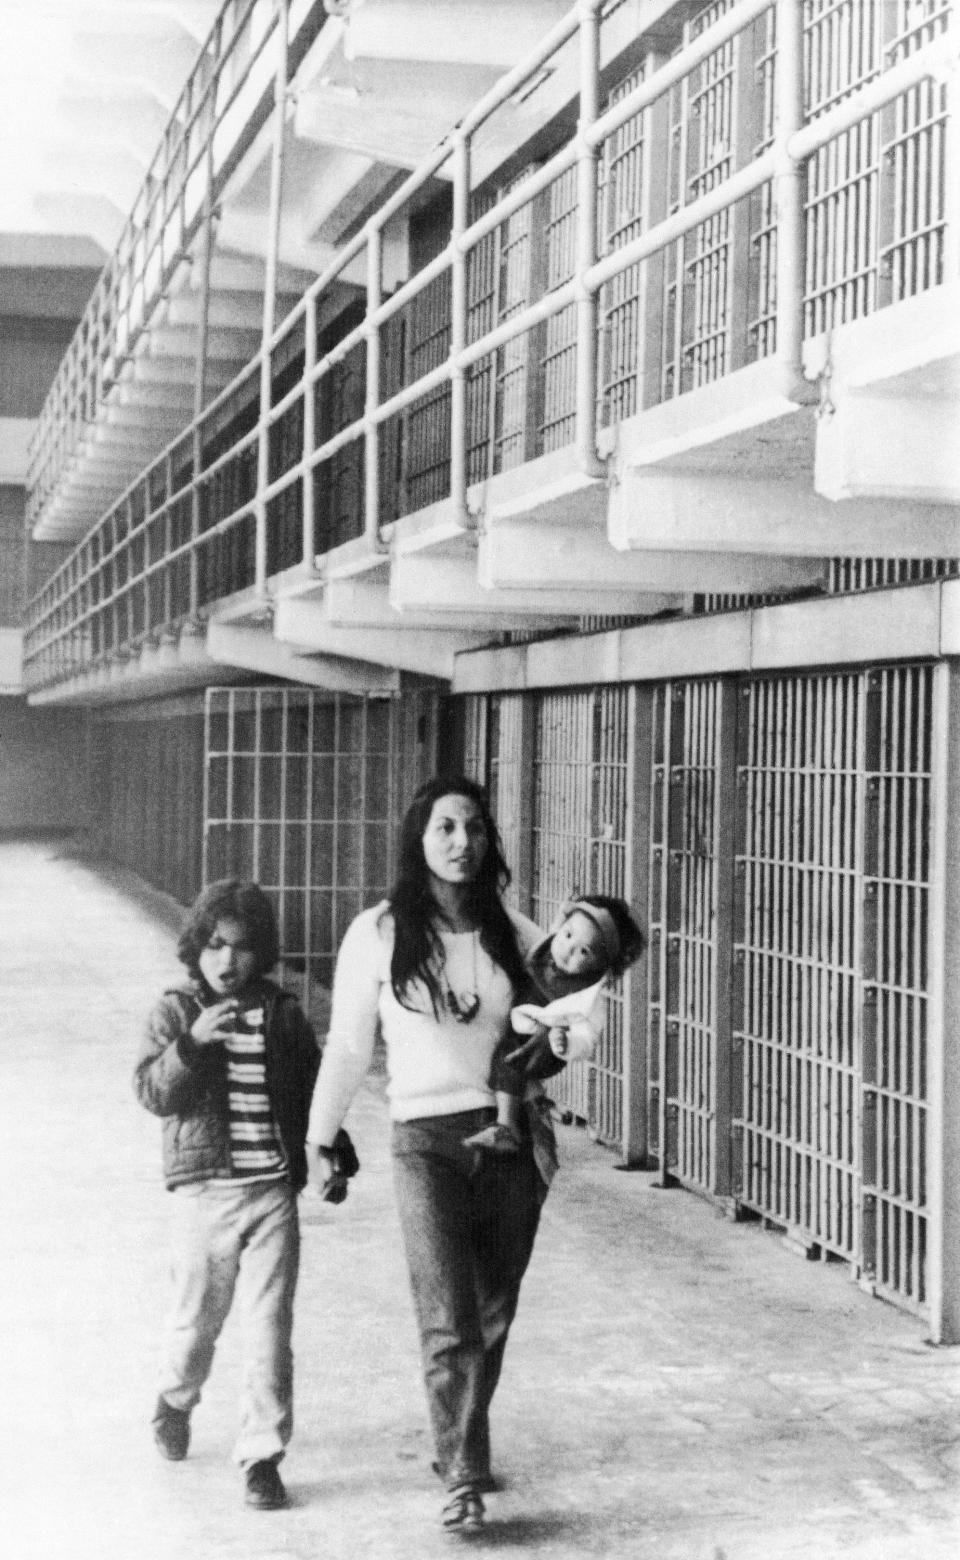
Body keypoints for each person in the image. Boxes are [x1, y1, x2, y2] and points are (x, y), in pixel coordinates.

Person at [306, 776, 560, 1535]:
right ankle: (461, 1471)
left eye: (475, 829)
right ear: (419, 839)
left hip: (508, 1138)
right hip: (423, 1139)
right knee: (447, 1314)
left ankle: (460, 1442)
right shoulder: (378, 933)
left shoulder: (516, 933)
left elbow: (551, 1038)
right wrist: (321, 1136)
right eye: (446, 827)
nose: (462, 842)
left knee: (493, 1310)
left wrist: (565, 1043)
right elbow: (350, 1044)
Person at [133, 879, 356, 1512]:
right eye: (213, 946)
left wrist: (333, 1156)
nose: (227, 961)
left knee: (269, 1330)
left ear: (262, 952)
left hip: (271, 1195)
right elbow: (153, 1093)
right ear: (194, 948)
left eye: (241, 947)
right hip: (203, 1196)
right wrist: (192, 1043)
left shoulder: (283, 1014)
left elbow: (316, 1098)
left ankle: (262, 1455)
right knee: (196, 1323)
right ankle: (174, 1399)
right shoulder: (176, 1010)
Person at [463, 895, 646, 1154]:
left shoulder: (588, 997)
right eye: (568, 935)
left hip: (547, 1047)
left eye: (584, 951)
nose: (568, 950)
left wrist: (567, 1043)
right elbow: (555, 933)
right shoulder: (548, 951)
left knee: (509, 1058)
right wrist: (562, 916)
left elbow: (588, 1037)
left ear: (601, 965)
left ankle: (506, 1126)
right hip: (524, 1024)